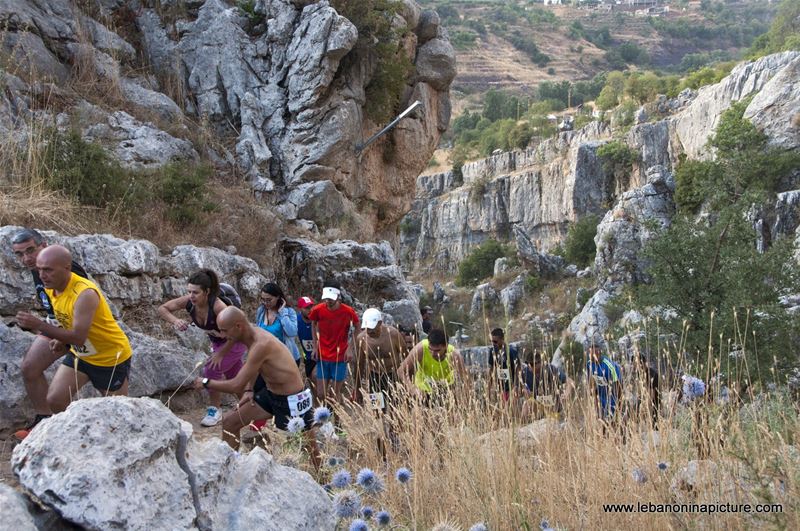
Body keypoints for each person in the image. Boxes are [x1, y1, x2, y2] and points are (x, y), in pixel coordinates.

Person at [14, 245, 132, 421]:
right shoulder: (51, 286)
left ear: (67, 268)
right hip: (81, 355)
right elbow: (67, 318)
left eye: (48, 270)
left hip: (109, 357)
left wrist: (39, 325)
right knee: (55, 400)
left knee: (119, 414)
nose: (42, 275)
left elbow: (78, 336)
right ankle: (76, 434)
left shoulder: (85, 293)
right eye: (39, 270)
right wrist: (61, 340)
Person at [197, 307, 318, 468]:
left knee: (308, 446)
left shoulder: (261, 343)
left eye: (225, 331)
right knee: (229, 422)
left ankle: (325, 481)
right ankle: (231, 468)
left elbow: (235, 385)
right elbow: (254, 366)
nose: (224, 336)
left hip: (292, 399)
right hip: (270, 394)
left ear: (238, 326)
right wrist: (249, 390)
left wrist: (205, 382)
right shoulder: (251, 336)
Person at [9, 228, 90, 438]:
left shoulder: (64, 269)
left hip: (79, 331)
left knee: (64, 392)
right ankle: (44, 422)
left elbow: (81, 308)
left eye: (30, 250)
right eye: (19, 254)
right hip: (55, 325)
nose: (26, 258)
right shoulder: (37, 270)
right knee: (29, 367)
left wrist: (58, 336)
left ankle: (65, 431)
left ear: (43, 245)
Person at [158, 269, 246, 427]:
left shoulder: (219, 308)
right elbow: (163, 309)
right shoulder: (189, 303)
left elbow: (238, 332)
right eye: (189, 291)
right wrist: (175, 321)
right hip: (218, 343)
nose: (191, 296)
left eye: (196, 292)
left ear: (207, 292)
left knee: (211, 369)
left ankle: (215, 410)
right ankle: (250, 407)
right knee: (236, 378)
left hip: (235, 342)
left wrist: (220, 354)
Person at [308, 281, 359, 405]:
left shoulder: (348, 311)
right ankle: (323, 418)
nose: (328, 301)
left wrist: (350, 348)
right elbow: (313, 323)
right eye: (326, 298)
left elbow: (358, 327)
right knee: (321, 393)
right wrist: (315, 346)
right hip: (323, 355)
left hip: (340, 357)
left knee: (335, 394)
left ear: (338, 296)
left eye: (331, 299)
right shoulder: (318, 309)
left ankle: (338, 422)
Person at [353, 308, 407, 412]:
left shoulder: (393, 334)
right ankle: (380, 427)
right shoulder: (362, 339)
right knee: (377, 409)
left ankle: (393, 428)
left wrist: (407, 380)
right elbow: (359, 364)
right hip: (375, 378)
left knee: (396, 409)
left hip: (394, 376)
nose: (370, 331)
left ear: (380, 323)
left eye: (373, 328)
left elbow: (407, 357)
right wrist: (357, 388)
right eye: (368, 328)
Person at [399, 328, 468, 404]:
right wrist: (412, 388)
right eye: (430, 349)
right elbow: (401, 370)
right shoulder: (420, 348)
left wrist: (465, 399)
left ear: (446, 346)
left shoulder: (454, 355)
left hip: (445, 390)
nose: (432, 353)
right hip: (422, 392)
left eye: (437, 350)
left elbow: (466, 379)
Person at [255, 282, 301, 365]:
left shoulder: (289, 312)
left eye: (269, 300)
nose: (265, 303)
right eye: (263, 299)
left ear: (278, 297)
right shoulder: (261, 311)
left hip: (286, 358)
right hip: (266, 358)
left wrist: (282, 313)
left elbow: (292, 332)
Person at [521, 351, 568, 420]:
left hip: (553, 404)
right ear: (529, 365)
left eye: (539, 370)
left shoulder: (550, 369)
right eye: (535, 371)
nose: (537, 373)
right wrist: (524, 390)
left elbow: (570, 381)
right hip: (538, 402)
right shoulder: (525, 373)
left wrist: (566, 394)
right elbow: (520, 386)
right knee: (526, 405)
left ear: (541, 362)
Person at [586, 339, 623, 421]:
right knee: (601, 423)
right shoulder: (589, 364)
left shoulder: (610, 366)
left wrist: (619, 405)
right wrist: (594, 401)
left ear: (599, 353)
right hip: (600, 399)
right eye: (590, 354)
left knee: (613, 423)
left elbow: (619, 385)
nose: (592, 357)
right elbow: (591, 383)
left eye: (595, 354)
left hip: (612, 399)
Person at [487, 328, 520, 403]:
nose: (493, 344)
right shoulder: (492, 351)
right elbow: (490, 370)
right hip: (500, 388)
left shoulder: (511, 351)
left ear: (502, 339)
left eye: (495, 341)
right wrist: (488, 388)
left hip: (511, 387)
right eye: (491, 341)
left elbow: (518, 370)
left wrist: (516, 387)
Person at [295, 296, 317, 394]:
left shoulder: (318, 318)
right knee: (313, 384)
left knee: (317, 378)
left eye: (311, 306)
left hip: (322, 355)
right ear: (300, 309)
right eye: (307, 308)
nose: (310, 310)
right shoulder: (296, 321)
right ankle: (319, 405)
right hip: (308, 357)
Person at [631, 352, 660, 424]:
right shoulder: (639, 373)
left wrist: (643, 412)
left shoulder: (652, 374)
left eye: (635, 364)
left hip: (653, 408)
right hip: (642, 404)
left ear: (642, 362)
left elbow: (651, 396)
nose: (634, 366)